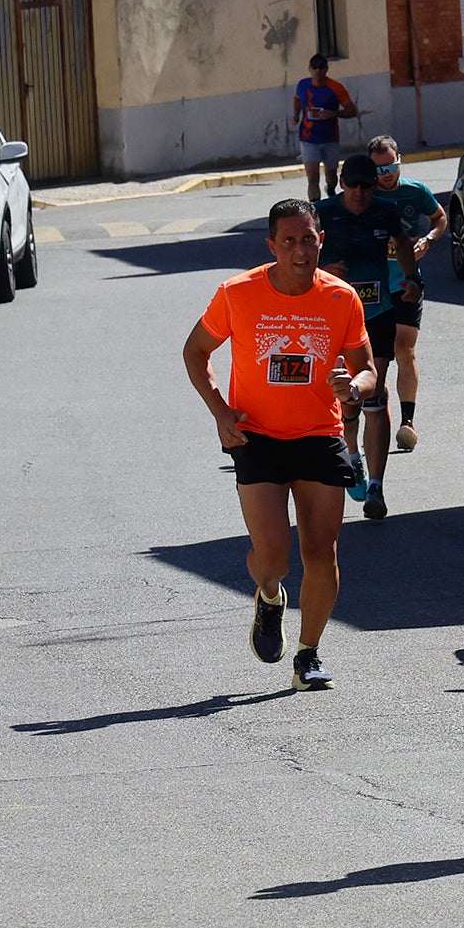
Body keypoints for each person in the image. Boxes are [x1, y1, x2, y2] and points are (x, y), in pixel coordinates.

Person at [181, 199, 378, 691]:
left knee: (321, 551)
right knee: (273, 556)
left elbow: (370, 370)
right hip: (258, 436)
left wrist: (354, 388)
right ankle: (270, 597)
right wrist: (219, 411)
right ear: (271, 246)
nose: (299, 249)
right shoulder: (237, 293)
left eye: (308, 239)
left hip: (319, 435)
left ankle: (308, 655)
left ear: (320, 241)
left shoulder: (341, 298)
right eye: (288, 241)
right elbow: (196, 351)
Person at [316, 153, 416, 520]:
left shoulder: (385, 210)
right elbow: (296, 255)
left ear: (375, 186)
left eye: (366, 186)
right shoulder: (322, 211)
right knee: (348, 399)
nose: (359, 193)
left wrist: (411, 277)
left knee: (374, 391)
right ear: (342, 185)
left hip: (376, 313)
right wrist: (321, 268)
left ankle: (377, 486)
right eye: (352, 185)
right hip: (334, 317)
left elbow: (403, 243)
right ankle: (352, 456)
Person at [366, 135, 446, 451]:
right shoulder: (363, 196)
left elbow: (440, 218)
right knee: (372, 354)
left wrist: (428, 240)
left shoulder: (415, 191)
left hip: (406, 282)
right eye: (378, 169)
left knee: (405, 348)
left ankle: (407, 421)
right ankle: (371, 409)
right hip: (371, 286)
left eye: (390, 166)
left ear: (400, 160)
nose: (385, 174)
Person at [292, 55, 358, 202]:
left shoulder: (336, 88)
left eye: (321, 67)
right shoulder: (303, 85)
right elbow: (297, 98)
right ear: (309, 69)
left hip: (330, 138)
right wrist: (296, 115)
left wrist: (334, 113)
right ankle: (316, 208)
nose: (318, 71)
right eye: (314, 67)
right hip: (308, 138)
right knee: (312, 177)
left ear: (327, 69)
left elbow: (352, 110)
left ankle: (331, 187)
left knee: (331, 174)